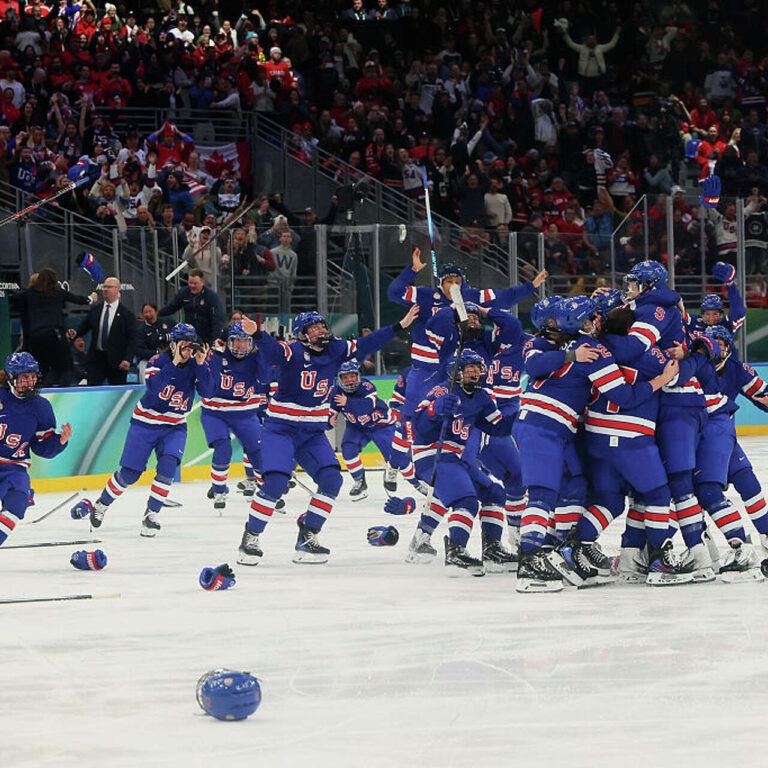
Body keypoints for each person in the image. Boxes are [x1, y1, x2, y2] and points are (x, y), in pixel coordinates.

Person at [235, 305, 418, 566]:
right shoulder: (292, 351)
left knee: (332, 480)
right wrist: (258, 335)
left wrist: (399, 325)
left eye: (322, 325)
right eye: (314, 327)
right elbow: (272, 351)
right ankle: (250, 537)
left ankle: (308, 535)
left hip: (311, 432)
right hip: (281, 429)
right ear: (302, 335)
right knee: (275, 483)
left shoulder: (336, 349)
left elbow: (367, 343)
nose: (321, 330)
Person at [72, 324, 208, 537]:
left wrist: (201, 365)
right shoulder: (157, 362)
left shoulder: (195, 364)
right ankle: (102, 504)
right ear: (173, 344)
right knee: (130, 473)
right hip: (145, 423)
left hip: (174, 425)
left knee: (168, 466)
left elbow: (208, 392)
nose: (188, 350)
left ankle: (151, 514)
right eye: (184, 344)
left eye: (191, 345)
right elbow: (155, 390)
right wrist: (174, 363)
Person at [0, 352, 73, 547]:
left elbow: (42, 447)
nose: (30, 381)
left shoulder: (41, 407)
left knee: (17, 506)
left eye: (32, 376)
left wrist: (60, 442)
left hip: (14, 467)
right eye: (24, 377)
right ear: (11, 377)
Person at [196, 321, 268, 512]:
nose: (241, 346)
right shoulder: (216, 356)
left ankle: (266, 490)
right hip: (215, 412)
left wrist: (261, 353)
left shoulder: (256, 357)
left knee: (257, 450)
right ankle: (219, 489)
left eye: (245, 341)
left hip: (244, 413)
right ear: (228, 341)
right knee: (223, 448)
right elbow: (204, 386)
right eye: (236, 341)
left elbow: (267, 377)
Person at [9, 267, 96, 387]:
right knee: (65, 367)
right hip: (55, 337)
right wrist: (91, 298)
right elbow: (78, 300)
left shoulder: (29, 294)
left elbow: (12, 298)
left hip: (36, 338)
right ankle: (64, 394)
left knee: (41, 368)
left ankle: (42, 392)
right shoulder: (58, 292)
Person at [329, 359, 397, 501]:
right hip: (357, 427)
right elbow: (331, 413)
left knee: (395, 458)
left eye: (352, 376)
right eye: (346, 377)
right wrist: (329, 420)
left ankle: (417, 482)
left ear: (358, 376)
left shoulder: (367, 386)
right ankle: (359, 481)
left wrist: (348, 402)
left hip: (381, 426)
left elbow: (366, 407)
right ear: (340, 379)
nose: (350, 380)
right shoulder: (337, 392)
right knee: (348, 449)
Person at [70, 275, 137, 386]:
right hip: (96, 359)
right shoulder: (95, 310)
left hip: (117, 361)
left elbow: (132, 339)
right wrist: (74, 334)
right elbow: (83, 328)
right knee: (93, 390)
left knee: (116, 393)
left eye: (109, 287)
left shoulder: (127, 315)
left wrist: (127, 359)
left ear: (117, 289)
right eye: (104, 287)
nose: (105, 290)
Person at [159, 268, 226, 345]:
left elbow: (217, 320)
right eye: (190, 283)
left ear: (202, 282)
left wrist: (215, 340)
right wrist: (157, 314)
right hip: (190, 337)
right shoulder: (184, 293)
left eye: (195, 283)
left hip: (207, 337)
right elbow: (171, 307)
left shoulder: (211, 297)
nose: (192, 286)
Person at [135, 303, 174, 383]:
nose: (148, 314)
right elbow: (139, 350)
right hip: (147, 361)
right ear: (142, 315)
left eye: (150, 311)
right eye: (145, 312)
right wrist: (157, 353)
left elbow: (178, 335)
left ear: (156, 312)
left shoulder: (167, 322)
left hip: (168, 360)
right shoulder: (140, 330)